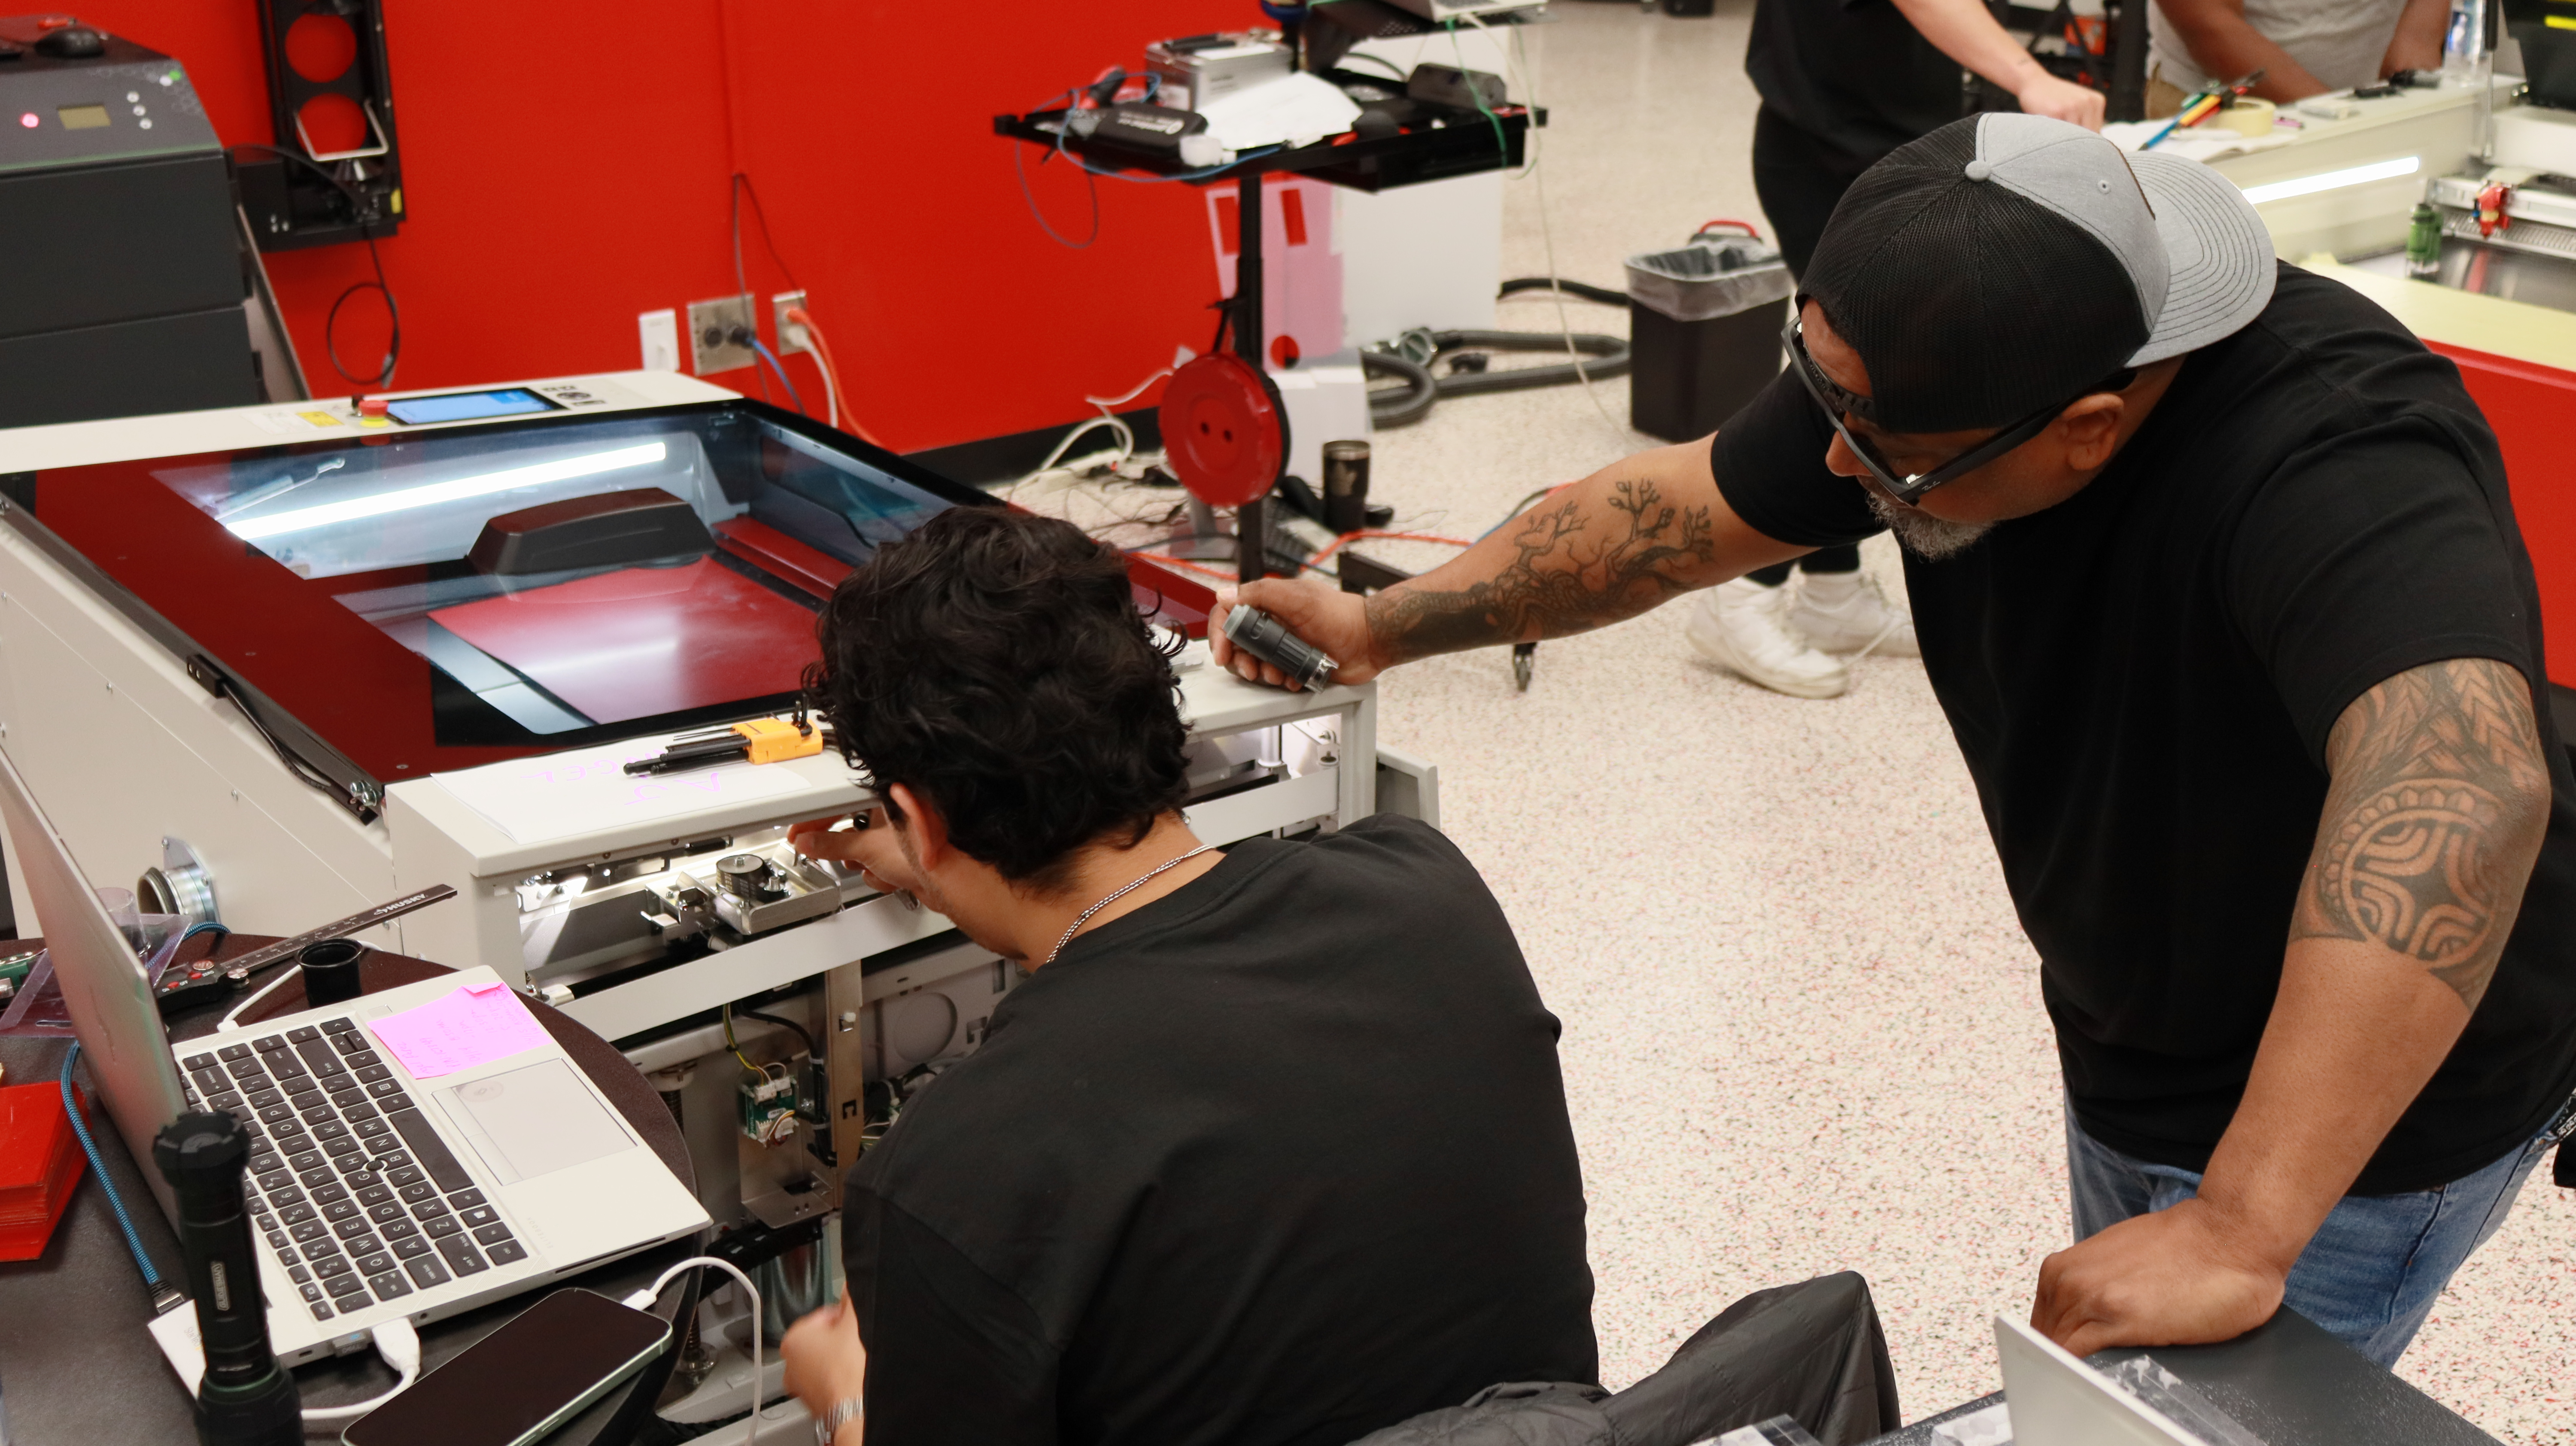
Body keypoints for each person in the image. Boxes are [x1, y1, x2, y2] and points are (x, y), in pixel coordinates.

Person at [1214, 114, 2576, 1367]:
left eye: (1883, 449)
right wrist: (1379, 626)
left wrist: (2236, 1227)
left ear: (2086, 431)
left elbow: (2461, 788)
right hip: (2144, 1010)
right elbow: (1663, 516)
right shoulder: (1954, 354)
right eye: (1830, 406)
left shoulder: (2333, 454)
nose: (1830, 467)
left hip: (2365, 1099)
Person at [773, 506, 1598, 1445]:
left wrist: (847, 1402)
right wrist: (932, 847)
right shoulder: (1427, 886)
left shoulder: (945, 1177)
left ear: (918, 819)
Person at [1712, 0, 2107, 698]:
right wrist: (2026, 74)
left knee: (1878, 378)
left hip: (1891, 129)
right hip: (1823, 142)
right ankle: (1742, 594)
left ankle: (1830, 590)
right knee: (1842, 380)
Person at [2148, 0, 2449, 117]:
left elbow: (2418, 37)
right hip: (2227, 114)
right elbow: (2209, 25)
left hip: (2372, 106)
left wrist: (2418, 36)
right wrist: (2339, 121)